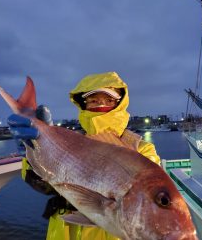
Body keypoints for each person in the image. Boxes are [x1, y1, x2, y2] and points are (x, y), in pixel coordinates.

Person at [8, 71, 160, 240]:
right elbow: (45, 187)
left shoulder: (141, 150)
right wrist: (34, 152)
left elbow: (151, 195)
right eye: (93, 100)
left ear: (120, 103)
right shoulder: (72, 143)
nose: (100, 104)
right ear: (83, 105)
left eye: (109, 100)